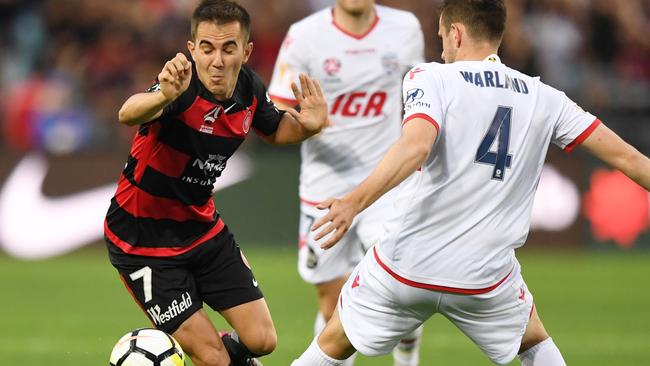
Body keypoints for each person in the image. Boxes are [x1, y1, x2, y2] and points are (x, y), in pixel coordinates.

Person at [291, 0, 650, 365]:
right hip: (485, 280)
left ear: (457, 34)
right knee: (536, 343)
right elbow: (629, 159)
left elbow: (416, 145)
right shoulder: (546, 98)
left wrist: (353, 202)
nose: (442, 47)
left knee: (332, 343)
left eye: (443, 36)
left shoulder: (430, 77)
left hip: (407, 267)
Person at [103, 1, 328, 366]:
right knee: (213, 358)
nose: (218, 60)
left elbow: (273, 129)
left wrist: (308, 126)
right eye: (207, 48)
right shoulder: (179, 87)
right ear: (192, 49)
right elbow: (128, 112)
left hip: (202, 229)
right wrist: (163, 94)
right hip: (142, 242)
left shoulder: (249, 89)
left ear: (246, 50)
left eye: (228, 48)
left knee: (263, 340)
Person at [268, 1, 425, 365]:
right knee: (332, 300)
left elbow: (420, 97)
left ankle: (408, 355)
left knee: (402, 286)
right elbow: (274, 111)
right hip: (324, 186)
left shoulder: (406, 28)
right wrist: (310, 122)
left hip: (385, 183)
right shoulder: (304, 37)